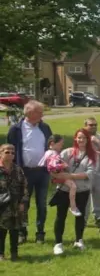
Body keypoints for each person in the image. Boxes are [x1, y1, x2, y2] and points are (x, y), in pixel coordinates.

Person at [7, 100, 52, 244]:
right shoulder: (16, 129)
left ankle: (40, 233)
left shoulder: (45, 128)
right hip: (23, 173)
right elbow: (10, 151)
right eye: (39, 112)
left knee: (41, 203)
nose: (42, 114)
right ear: (30, 113)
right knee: (23, 204)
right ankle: (22, 232)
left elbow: (51, 148)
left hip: (42, 172)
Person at [51, 129, 96, 255]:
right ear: (75, 138)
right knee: (61, 216)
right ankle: (58, 243)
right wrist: (61, 175)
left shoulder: (92, 155)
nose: (81, 140)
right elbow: (55, 168)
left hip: (82, 190)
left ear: (88, 140)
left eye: (84, 138)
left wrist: (70, 176)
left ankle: (79, 240)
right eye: (79, 137)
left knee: (80, 216)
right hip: (64, 190)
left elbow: (89, 174)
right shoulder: (67, 152)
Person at [40, 134, 82, 216]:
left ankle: (71, 205)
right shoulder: (53, 154)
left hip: (56, 175)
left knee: (71, 185)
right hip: (59, 174)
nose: (62, 146)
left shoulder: (48, 153)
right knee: (73, 186)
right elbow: (52, 167)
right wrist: (63, 166)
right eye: (60, 144)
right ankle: (73, 207)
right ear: (52, 144)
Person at [0, 144, 28, 261]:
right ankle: (1, 254)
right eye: (7, 152)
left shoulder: (17, 169)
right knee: (1, 230)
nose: (10, 154)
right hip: (1, 205)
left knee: (15, 229)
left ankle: (14, 253)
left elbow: (25, 187)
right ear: (0, 153)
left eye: (12, 152)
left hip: (16, 204)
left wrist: (23, 202)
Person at [84, 117, 100, 221]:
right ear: (85, 126)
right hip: (85, 172)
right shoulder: (81, 137)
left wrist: (98, 142)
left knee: (99, 195)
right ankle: (83, 219)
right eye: (91, 125)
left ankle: (99, 218)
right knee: (85, 197)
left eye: (95, 125)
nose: (93, 127)